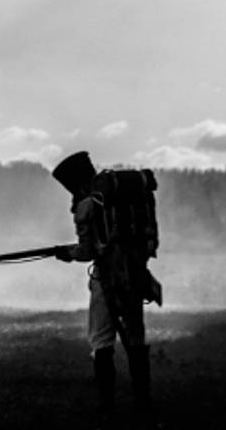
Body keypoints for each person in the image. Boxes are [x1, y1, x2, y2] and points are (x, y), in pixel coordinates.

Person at [51, 150, 156, 430]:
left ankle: (107, 407)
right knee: (135, 337)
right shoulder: (130, 195)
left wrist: (68, 254)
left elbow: (87, 251)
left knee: (101, 340)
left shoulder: (86, 205)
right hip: (135, 274)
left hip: (106, 279)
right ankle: (143, 401)